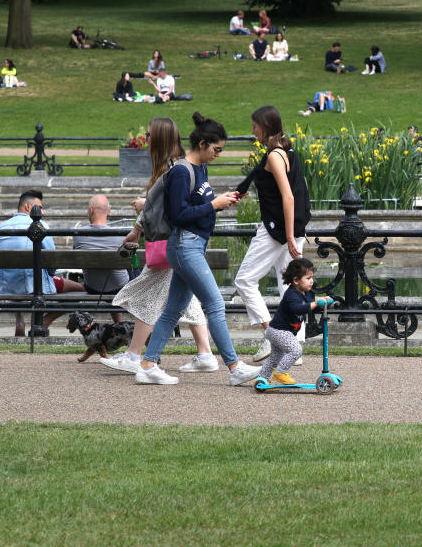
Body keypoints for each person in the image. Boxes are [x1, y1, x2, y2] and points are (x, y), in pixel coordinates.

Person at [133, 112, 259, 385]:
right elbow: (178, 215)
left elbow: (196, 207)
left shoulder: (200, 169)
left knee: (173, 309)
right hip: (184, 246)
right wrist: (214, 205)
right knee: (214, 303)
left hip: (192, 245)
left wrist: (223, 201)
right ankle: (235, 367)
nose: (219, 154)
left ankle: (147, 365)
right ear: (202, 144)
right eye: (217, 149)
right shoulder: (181, 171)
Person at [104, 116, 218, 375]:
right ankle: (205, 353)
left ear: (161, 137)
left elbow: (173, 206)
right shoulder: (179, 164)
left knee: (151, 297)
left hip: (174, 244)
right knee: (184, 300)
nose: (146, 139)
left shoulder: (174, 166)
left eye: (150, 134)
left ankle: (134, 356)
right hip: (182, 244)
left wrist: (143, 211)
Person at [234, 106, 311, 364]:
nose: (252, 130)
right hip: (293, 226)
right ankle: (295, 349)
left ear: (265, 127)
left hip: (278, 229)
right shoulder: (287, 149)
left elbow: (287, 196)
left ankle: (274, 337)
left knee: (244, 280)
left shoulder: (275, 156)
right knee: (291, 286)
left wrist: (288, 236)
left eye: (254, 125)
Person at [0, 191, 84, 336]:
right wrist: (50, 274)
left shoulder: (1, 228)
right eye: (40, 207)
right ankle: (45, 321)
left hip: (8, 287)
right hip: (36, 287)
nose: (42, 212)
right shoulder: (41, 225)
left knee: (17, 276)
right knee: (79, 289)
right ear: (28, 207)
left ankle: (20, 320)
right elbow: (52, 263)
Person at [255, 258, 325, 384]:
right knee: (296, 350)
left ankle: (262, 379)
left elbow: (309, 308)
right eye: (308, 278)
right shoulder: (291, 294)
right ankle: (281, 373)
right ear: (296, 280)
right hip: (279, 331)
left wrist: (322, 304)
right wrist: (314, 304)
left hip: (278, 330)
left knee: (275, 358)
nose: (312, 281)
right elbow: (297, 309)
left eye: (312, 278)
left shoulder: (305, 293)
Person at [72, 195, 128, 323]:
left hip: (93, 286)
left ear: (91, 210)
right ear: (108, 211)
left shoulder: (78, 234)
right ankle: (119, 324)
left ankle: (119, 323)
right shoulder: (120, 236)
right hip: (119, 286)